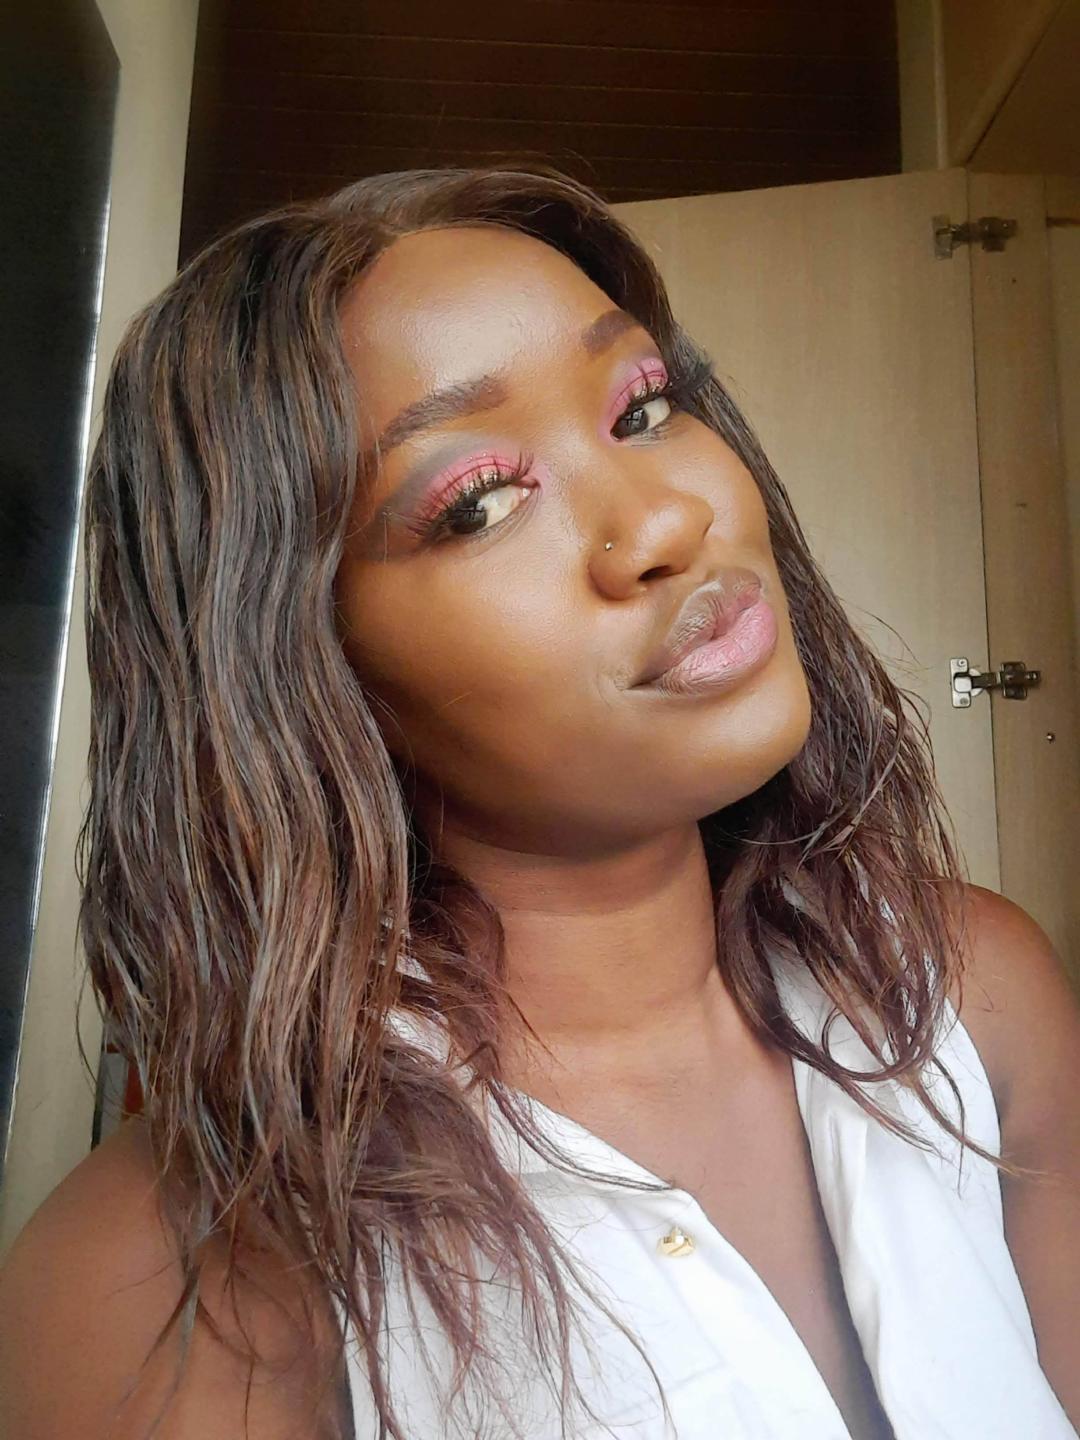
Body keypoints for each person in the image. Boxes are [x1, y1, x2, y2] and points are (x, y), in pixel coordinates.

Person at [0, 165, 1077, 1440]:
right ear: (294, 666)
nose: (669, 517)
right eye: (479, 504)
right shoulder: (164, 1283)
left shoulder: (972, 993)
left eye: (643, 407)